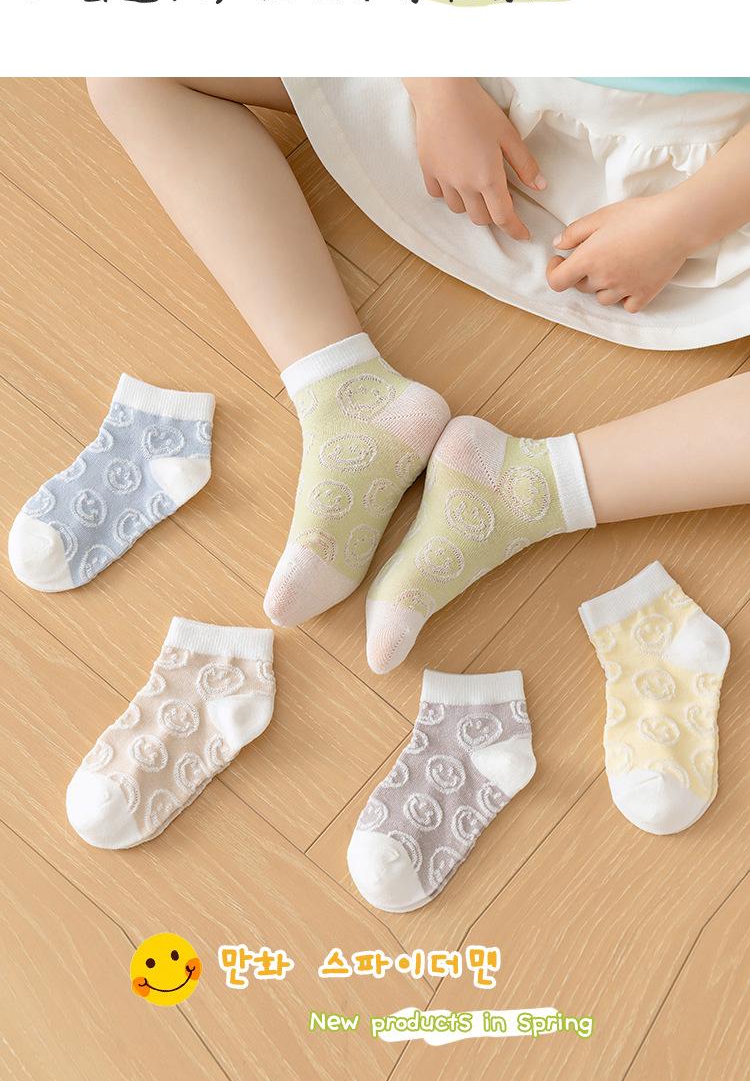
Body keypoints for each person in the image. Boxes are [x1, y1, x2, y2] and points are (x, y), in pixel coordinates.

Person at [85, 77, 750, 674]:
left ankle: (524, 490)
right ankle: (348, 395)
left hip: (709, 172)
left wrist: (683, 224)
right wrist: (438, 89)